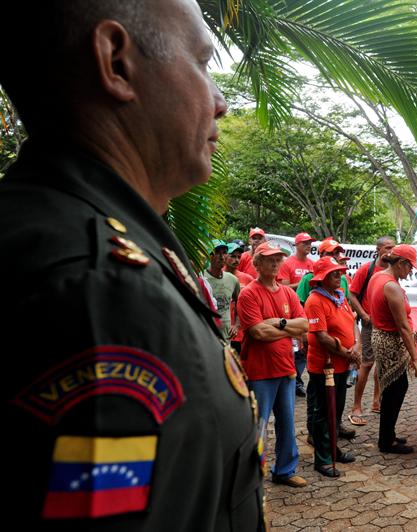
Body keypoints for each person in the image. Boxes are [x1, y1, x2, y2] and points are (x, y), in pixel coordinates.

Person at [0, 0, 265, 527]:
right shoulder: (104, 295)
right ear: (116, 63)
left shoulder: (48, 231)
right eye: (202, 62)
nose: (221, 103)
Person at [238, 243, 309, 486]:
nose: (275, 263)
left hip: (286, 369)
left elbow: (304, 325)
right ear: (256, 263)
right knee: (258, 426)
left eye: (279, 259)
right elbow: (258, 333)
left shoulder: (288, 293)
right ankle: (252, 476)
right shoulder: (249, 293)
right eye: (269, 259)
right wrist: (288, 327)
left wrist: (277, 323)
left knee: (287, 424)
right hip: (259, 372)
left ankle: (285, 471)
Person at [304, 258, 360, 477]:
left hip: (342, 364)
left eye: (339, 272)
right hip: (323, 367)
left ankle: (333, 450)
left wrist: (356, 346)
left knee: (336, 411)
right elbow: (321, 336)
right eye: (334, 273)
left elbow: (353, 323)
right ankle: (323, 459)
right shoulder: (315, 300)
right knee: (323, 413)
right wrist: (348, 353)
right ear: (322, 278)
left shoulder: (339, 296)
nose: (339, 276)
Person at [365, 244, 417, 453]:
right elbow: (402, 327)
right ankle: (386, 441)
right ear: (401, 263)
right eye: (409, 268)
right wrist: (416, 359)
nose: (410, 273)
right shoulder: (390, 285)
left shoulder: (379, 277)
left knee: (395, 388)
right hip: (389, 340)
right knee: (394, 389)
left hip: (383, 337)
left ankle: (388, 434)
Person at [348, 237, 396, 426]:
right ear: (378, 250)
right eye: (387, 248)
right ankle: (356, 407)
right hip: (369, 325)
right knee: (366, 364)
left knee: (382, 365)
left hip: (386, 325)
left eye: (393, 248)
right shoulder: (366, 270)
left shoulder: (393, 270)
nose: (390, 251)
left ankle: (377, 401)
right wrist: (364, 314)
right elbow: (352, 294)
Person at [280, 232, 315, 397]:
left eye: (310, 243)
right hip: (291, 309)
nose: (308, 246)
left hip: (310, 310)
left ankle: (298, 380)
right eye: (305, 243)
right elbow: (285, 287)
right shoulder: (288, 263)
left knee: (305, 348)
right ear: (297, 245)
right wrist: (303, 282)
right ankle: (293, 380)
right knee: (295, 347)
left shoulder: (312, 264)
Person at [201, 239, 241, 341]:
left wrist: (236, 325)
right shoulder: (201, 278)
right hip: (206, 335)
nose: (222, 257)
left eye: (224, 253)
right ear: (209, 255)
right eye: (217, 253)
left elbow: (240, 302)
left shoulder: (232, 280)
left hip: (226, 337)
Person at [226, 242, 255, 352]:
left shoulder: (248, 279)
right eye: (233, 256)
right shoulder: (217, 276)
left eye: (239, 257)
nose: (236, 260)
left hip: (241, 333)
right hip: (222, 330)